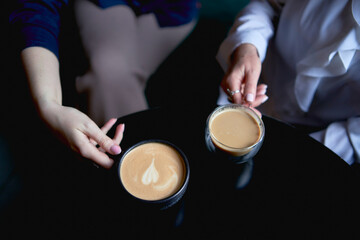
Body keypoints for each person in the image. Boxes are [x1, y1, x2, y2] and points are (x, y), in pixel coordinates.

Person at [9, 0, 199, 168]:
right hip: (103, 2)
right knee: (108, 72)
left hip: (173, 10)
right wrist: (48, 104)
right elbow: (36, 8)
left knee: (113, 82)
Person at [216, 0, 360, 165]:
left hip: (321, 136)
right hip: (257, 77)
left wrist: (298, 153)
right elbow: (268, 4)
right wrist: (247, 47)